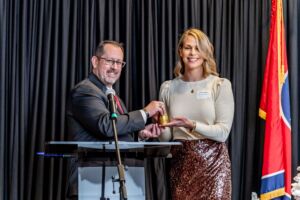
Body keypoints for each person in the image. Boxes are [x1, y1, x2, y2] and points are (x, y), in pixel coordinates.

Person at [65, 40, 165, 199]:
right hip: (91, 183)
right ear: (94, 61)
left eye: (119, 62)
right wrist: (145, 112)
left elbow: (117, 133)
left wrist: (140, 135)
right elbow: (106, 126)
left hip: (116, 182)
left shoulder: (111, 95)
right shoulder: (85, 91)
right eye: (110, 61)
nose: (115, 67)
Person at [159, 28, 234, 199]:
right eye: (188, 48)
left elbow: (223, 133)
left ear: (206, 52)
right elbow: (165, 138)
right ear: (180, 51)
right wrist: (159, 126)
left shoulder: (219, 85)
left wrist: (191, 124)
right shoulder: (168, 87)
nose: (192, 53)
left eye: (198, 48)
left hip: (214, 166)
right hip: (181, 166)